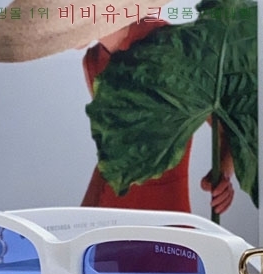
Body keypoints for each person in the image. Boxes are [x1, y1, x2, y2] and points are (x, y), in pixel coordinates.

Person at [80, 20, 235, 215]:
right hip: (106, 209)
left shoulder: (172, 44)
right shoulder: (92, 61)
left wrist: (223, 174)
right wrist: (84, 217)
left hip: (166, 207)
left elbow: (227, 129)